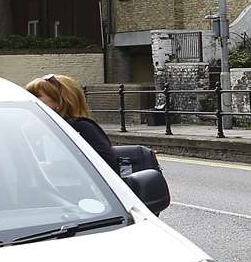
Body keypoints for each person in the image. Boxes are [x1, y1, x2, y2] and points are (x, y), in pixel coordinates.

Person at [24, 74, 162, 186]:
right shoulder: (37, 129)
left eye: (37, 97)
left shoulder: (81, 127)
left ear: (60, 101)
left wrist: (50, 167)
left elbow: (105, 166)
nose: (30, 101)